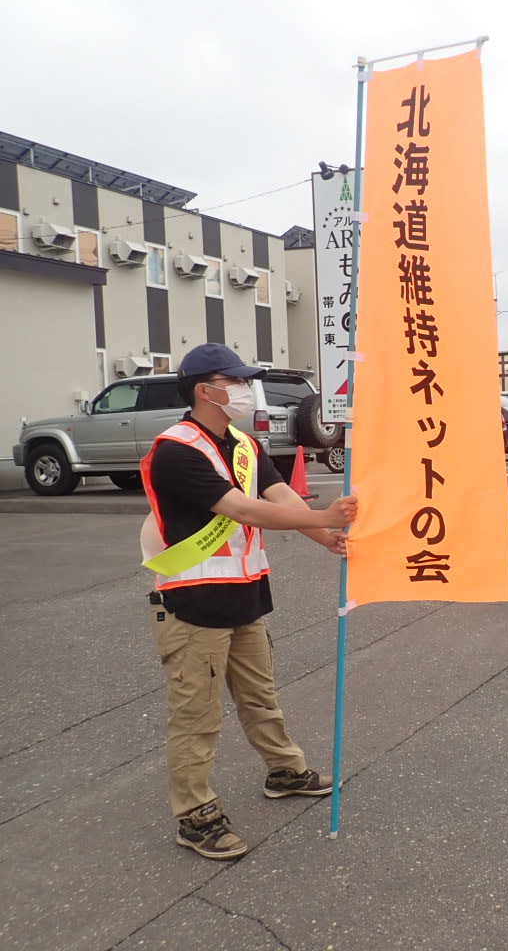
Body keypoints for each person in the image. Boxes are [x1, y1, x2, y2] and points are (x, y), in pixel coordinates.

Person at [139, 343, 357, 861]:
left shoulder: (240, 442)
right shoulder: (175, 449)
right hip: (191, 602)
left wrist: (322, 536)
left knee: (261, 695)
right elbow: (241, 509)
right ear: (203, 390)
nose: (244, 389)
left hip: (243, 593)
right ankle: (194, 815)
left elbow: (278, 494)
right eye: (233, 381)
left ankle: (284, 770)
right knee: (197, 715)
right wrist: (325, 518)